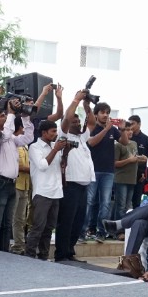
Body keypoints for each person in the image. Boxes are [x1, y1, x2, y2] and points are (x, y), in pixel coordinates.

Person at [54, 92, 100, 262]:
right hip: (70, 184)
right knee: (67, 220)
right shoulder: (63, 134)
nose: (77, 122)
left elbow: (93, 122)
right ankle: (61, 254)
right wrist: (76, 100)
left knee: (79, 221)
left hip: (83, 185)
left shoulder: (81, 137)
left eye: (78, 120)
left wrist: (87, 105)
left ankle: (69, 251)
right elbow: (66, 118)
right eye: (75, 121)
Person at [0, 104, 35, 252]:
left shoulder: (11, 137)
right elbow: (5, 135)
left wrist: (25, 117)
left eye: (6, 115)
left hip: (11, 183)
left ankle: (5, 253)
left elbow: (28, 137)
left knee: (7, 223)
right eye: (2, 116)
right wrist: (12, 113)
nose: (6, 117)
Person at [26, 121, 67, 260]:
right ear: (43, 133)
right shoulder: (34, 147)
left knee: (49, 228)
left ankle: (43, 256)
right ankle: (29, 255)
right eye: (53, 132)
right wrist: (55, 150)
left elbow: (60, 166)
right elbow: (43, 165)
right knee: (38, 227)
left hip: (56, 192)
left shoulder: (55, 147)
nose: (56, 134)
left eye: (56, 131)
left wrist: (65, 152)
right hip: (42, 192)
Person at [83, 102, 121, 240]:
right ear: (96, 114)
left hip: (108, 172)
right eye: (102, 112)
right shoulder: (92, 127)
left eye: (107, 112)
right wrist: (106, 129)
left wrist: (121, 129)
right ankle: (83, 231)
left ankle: (101, 232)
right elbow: (91, 143)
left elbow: (124, 141)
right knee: (89, 201)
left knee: (105, 203)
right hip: (92, 171)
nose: (105, 115)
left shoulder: (113, 129)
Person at [113, 127, 146, 221]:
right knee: (121, 205)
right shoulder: (118, 145)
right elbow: (115, 163)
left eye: (131, 129)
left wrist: (141, 159)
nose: (131, 131)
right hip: (121, 179)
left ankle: (125, 228)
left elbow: (134, 158)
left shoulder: (134, 143)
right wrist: (129, 160)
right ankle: (118, 229)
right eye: (127, 130)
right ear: (122, 132)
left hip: (132, 179)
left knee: (128, 205)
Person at [129, 115, 148, 211]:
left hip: (140, 175)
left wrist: (147, 173)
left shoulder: (146, 139)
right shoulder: (127, 137)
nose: (131, 126)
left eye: (133, 123)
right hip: (126, 173)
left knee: (136, 201)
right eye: (129, 123)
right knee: (123, 201)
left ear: (139, 124)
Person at [11, 144, 31, 255]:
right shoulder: (14, 144)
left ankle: (19, 245)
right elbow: (14, 165)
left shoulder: (26, 146)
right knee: (14, 217)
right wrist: (31, 169)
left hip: (25, 185)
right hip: (16, 185)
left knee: (20, 218)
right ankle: (15, 244)